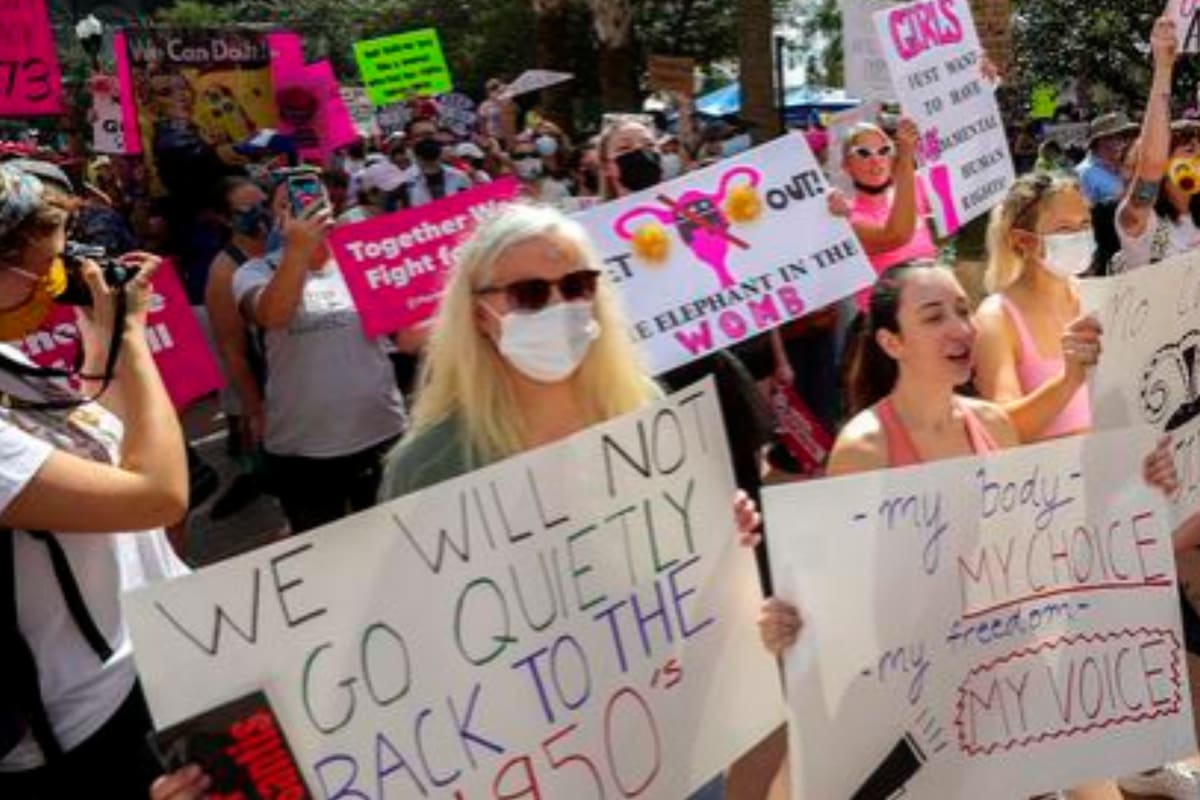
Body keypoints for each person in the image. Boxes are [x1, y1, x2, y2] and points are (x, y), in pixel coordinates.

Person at [751, 261, 1183, 800]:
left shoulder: (994, 425)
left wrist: (1141, 486)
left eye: (961, 309)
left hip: (1015, 655)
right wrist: (791, 622)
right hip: (924, 689)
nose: (960, 327)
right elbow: (841, 592)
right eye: (934, 316)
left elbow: (1037, 536)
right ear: (891, 342)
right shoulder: (865, 449)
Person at [0, 164, 191, 796]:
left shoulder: (9, 358)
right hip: (87, 723)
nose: (60, 279)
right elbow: (156, 494)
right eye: (49, 263)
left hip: (156, 654)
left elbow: (98, 442)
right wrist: (132, 341)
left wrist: (102, 332)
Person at [232, 179, 407, 533]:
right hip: (304, 451)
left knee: (395, 543)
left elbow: (405, 335)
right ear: (275, 217)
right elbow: (272, 315)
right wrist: (298, 250)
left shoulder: (361, 258)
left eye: (314, 198)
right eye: (289, 203)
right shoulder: (253, 272)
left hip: (381, 432)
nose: (303, 208)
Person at [973, 173, 1100, 442]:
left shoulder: (1097, 297)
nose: (1080, 236)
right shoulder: (997, 317)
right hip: (1053, 480)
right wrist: (1068, 381)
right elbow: (1000, 430)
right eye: (1065, 229)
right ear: (1023, 240)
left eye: (1085, 224)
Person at [203, 177, 270, 519]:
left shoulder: (288, 245)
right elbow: (233, 349)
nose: (261, 214)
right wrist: (255, 410)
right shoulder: (224, 271)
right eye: (249, 210)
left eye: (264, 203)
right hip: (271, 384)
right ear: (227, 219)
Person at [843, 118, 937, 308]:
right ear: (846, 166)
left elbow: (953, 168)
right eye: (863, 153)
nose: (876, 160)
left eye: (884, 150)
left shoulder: (912, 186)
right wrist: (905, 158)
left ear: (891, 158)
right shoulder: (846, 217)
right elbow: (896, 235)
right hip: (884, 326)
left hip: (927, 315)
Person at [400, 117, 472, 207]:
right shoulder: (403, 182)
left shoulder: (460, 177)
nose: (428, 139)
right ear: (409, 142)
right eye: (421, 135)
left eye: (431, 134)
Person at [1076, 112, 1139, 207]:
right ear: (1101, 140)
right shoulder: (1085, 173)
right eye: (1120, 136)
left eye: (1127, 136)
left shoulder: (1125, 164)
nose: (1125, 142)